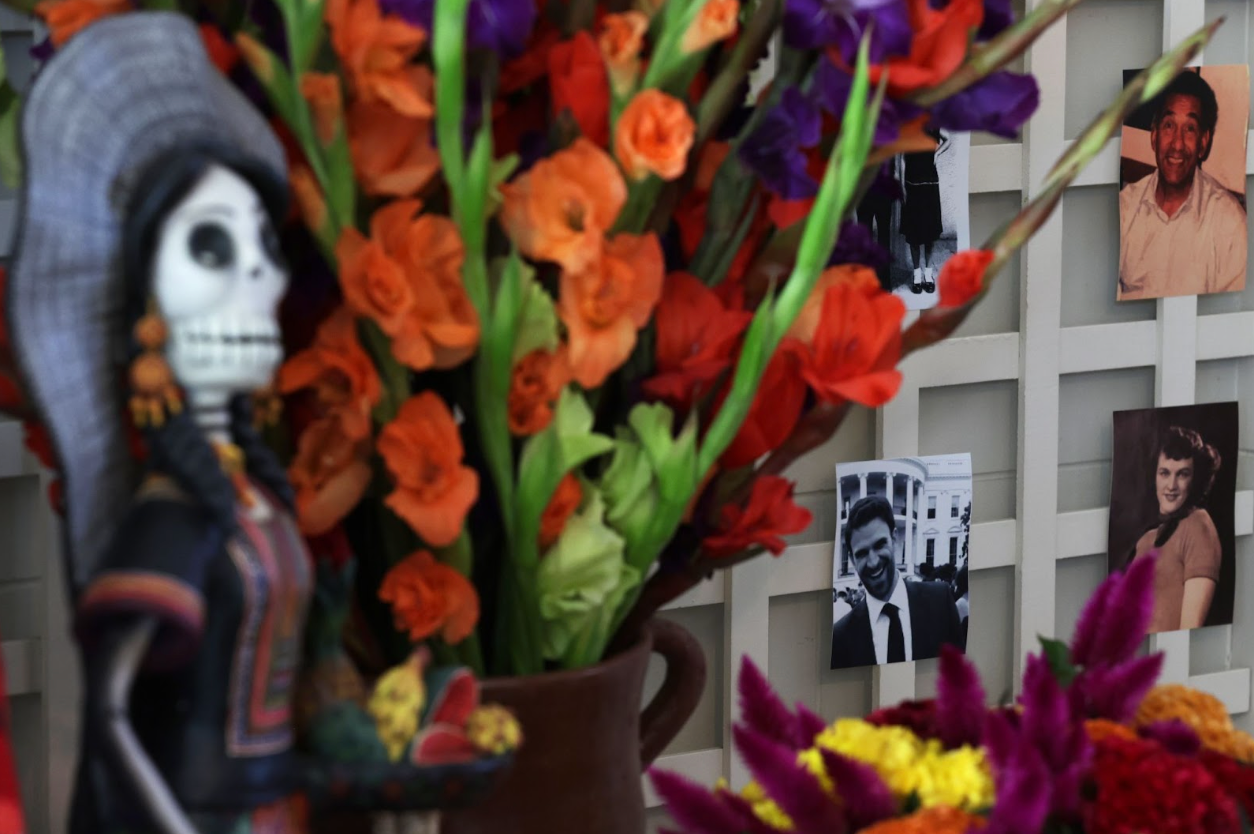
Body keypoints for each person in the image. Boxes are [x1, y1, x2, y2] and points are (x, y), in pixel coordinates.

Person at [7, 15, 314, 832]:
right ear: (144, 300)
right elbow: (111, 711)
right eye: (211, 250)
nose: (258, 278)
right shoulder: (173, 516)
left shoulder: (256, 498)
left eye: (264, 250)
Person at [1118, 70, 1247, 300]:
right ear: (1154, 136)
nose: (1177, 144)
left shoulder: (1230, 225)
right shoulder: (1125, 208)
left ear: (1203, 143)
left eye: (1189, 129)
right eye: (1169, 126)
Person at [830, 497, 965, 670]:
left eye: (880, 545)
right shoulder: (840, 637)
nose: (873, 562)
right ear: (852, 559)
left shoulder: (940, 602)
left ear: (893, 539)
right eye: (862, 553)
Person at [1128, 426, 1223, 633]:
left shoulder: (1198, 525)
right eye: (1164, 473)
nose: (1171, 485)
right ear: (1154, 476)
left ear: (1195, 480)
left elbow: (1191, 630)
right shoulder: (1146, 539)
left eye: (1182, 474)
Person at [899, 128, 948, 295]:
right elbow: (902, 159)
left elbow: (948, 140)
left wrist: (937, 154)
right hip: (912, 185)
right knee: (914, 235)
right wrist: (902, 187)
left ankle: (928, 273)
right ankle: (916, 274)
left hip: (930, 185)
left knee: (930, 234)